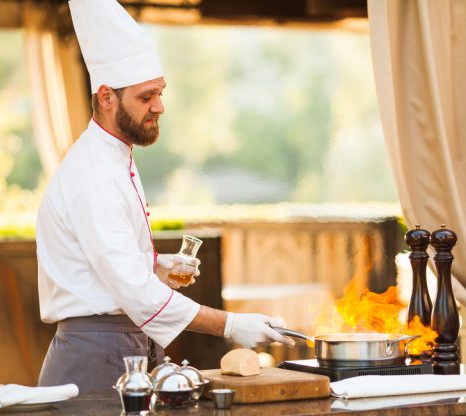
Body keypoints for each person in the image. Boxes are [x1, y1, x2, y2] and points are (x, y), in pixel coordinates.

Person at [36, 0, 293, 393]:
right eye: (146, 97)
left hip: (119, 348)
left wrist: (153, 265)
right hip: (92, 360)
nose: (160, 106)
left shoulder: (115, 158)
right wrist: (232, 325)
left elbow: (105, 265)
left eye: (160, 93)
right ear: (106, 97)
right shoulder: (95, 176)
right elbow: (134, 293)